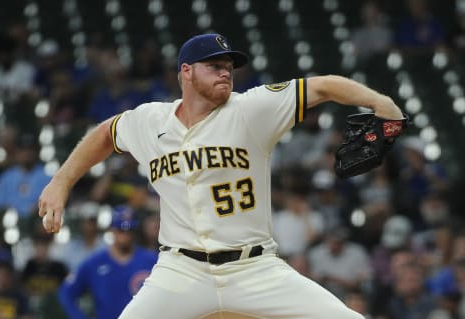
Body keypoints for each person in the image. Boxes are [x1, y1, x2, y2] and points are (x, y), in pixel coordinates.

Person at [38, 33, 404, 318]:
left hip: (255, 269)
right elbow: (104, 133)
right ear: (186, 72)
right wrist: (61, 181)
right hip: (181, 272)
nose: (225, 71)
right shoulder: (149, 121)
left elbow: (322, 86)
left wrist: (380, 103)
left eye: (229, 64)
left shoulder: (252, 108)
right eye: (213, 65)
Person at [58, 205, 158, 319]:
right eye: (121, 230)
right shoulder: (94, 263)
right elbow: (67, 294)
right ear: (112, 230)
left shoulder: (151, 260)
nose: (126, 236)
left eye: (129, 231)